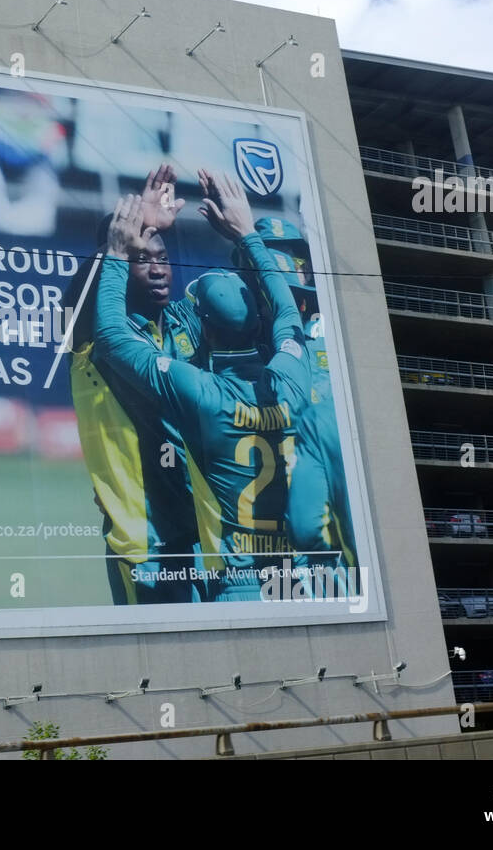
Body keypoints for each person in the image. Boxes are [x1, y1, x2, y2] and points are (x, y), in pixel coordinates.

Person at [94, 171, 312, 601]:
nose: (159, 270)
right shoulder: (292, 377)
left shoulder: (204, 395)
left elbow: (111, 335)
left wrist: (118, 252)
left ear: (205, 331)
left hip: (239, 585)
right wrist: (247, 234)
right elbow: (287, 312)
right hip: (300, 579)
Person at [66, 166, 205, 604]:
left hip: (207, 538)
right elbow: (76, 301)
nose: (159, 269)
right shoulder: (95, 341)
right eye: (141, 260)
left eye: (162, 257)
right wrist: (118, 246)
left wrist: (146, 227)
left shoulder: (185, 323)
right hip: (143, 548)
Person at [252, 217, 357, 572]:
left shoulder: (337, 333)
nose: (294, 268)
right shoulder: (231, 346)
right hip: (266, 533)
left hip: (329, 532)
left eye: (297, 259)